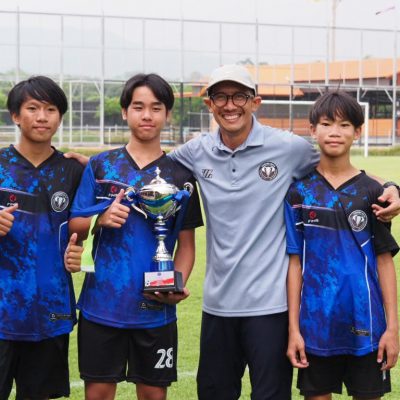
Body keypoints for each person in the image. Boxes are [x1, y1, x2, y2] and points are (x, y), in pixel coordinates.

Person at [168, 64, 400, 399]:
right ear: (209, 104)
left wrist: (392, 186)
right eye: (221, 96)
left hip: (272, 308)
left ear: (255, 102)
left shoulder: (289, 148)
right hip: (217, 305)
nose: (230, 105)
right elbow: (154, 168)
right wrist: (92, 179)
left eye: (239, 96)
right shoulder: (195, 151)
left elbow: (341, 170)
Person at [69, 73, 203, 400]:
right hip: (102, 305)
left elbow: (186, 245)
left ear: (167, 114)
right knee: (98, 394)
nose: (147, 115)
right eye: (138, 107)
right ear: (124, 112)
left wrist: (175, 284)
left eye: (156, 108)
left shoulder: (181, 176)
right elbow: (74, 224)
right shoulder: (101, 166)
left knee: (154, 395)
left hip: (155, 310)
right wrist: (100, 219)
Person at [285, 90, 399, 400]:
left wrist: (392, 328)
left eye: (344, 125)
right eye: (326, 123)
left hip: (368, 325)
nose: (335, 132)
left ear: (357, 132)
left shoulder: (373, 192)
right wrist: (294, 329)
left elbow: (384, 261)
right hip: (315, 326)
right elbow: (295, 263)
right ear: (313, 130)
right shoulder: (299, 193)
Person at [0, 76, 84, 400]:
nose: (42, 117)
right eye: (32, 108)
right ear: (15, 115)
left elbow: (85, 226)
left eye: (51, 109)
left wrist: (80, 251)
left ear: (60, 117)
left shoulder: (73, 171)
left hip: (51, 310)